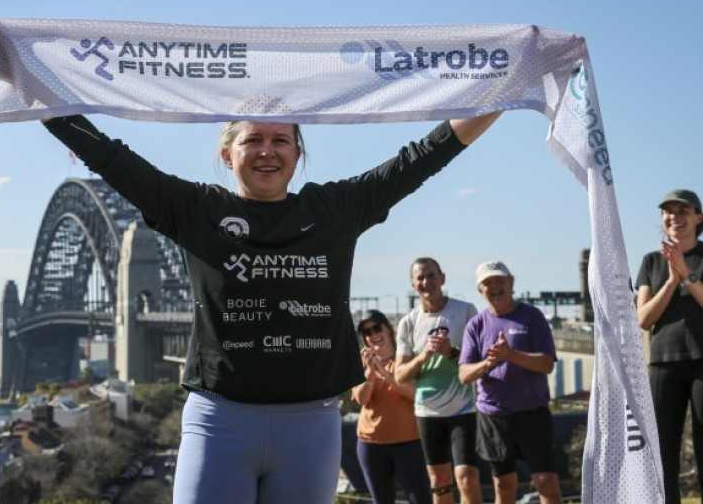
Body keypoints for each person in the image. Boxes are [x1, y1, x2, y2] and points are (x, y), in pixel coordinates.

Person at [43, 110, 500, 504]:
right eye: (253, 140)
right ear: (228, 154)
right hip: (219, 422)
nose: (268, 151)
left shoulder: (335, 210)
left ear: (297, 155)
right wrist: (27, 88)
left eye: (281, 140)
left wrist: (509, 89)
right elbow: (109, 157)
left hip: (311, 425)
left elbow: (424, 157)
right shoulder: (194, 209)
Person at [458, 260, 561, 504]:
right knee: (503, 486)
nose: (494, 287)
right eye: (487, 282)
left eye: (499, 280)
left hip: (533, 414)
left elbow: (547, 364)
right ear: (480, 290)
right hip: (493, 417)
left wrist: (510, 355)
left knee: (547, 482)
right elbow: (463, 374)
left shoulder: (531, 316)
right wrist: (488, 363)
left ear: (511, 283)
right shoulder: (476, 325)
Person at [395, 258, 483, 504]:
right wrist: (423, 355)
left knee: (466, 477)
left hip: (463, 409)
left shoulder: (465, 311)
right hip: (428, 412)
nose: (426, 282)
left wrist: (451, 352)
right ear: (413, 284)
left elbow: (477, 361)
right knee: (439, 481)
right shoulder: (408, 322)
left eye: (431, 276)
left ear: (442, 278)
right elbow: (400, 375)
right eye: (420, 278)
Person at [636, 189, 703, 504]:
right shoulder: (651, 261)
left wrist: (687, 275)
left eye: (683, 210)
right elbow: (644, 319)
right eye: (669, 211)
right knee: (661, 454)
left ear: (697, 218)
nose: (675, 216)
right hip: (663, 364)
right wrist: (671, 280)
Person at [351, 309, 431, 504]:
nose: (373, 335)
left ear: (388, 330)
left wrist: (386, 374)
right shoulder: (361, 363)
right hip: (371, 444)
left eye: (377, 328)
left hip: (409, 442)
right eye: (367, 332)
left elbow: (416, 395)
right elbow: (361, 399)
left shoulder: (406, 359)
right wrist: (371, 371)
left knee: (420, 499)